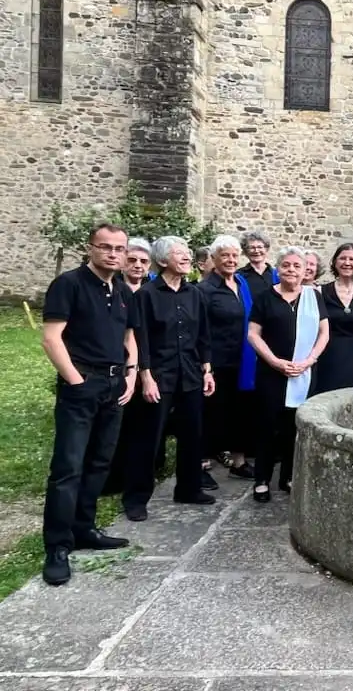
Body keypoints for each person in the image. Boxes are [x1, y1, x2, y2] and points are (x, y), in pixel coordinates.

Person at [40, 224, 138, 586]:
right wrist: (76, 382)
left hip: (114, 385)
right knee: (68, 468)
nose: (113, 254)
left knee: (99, 463)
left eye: (119, 249)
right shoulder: (69, 284)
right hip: (81, 384)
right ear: (91, 248)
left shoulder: (123, 288)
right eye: (106, 247)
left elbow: (130, 336)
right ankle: (57, 546)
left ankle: (84, 529)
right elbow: (51, 338)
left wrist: (130, 375)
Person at [122, 236, 216, 521]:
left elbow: (203, 335)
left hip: (190, 372)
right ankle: (136, 499)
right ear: (163, 260)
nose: (187, 257)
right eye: (180, 253)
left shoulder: (195, 294)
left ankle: (188, 488)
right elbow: (142, 339)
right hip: (159, 374)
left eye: (187, 253)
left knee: (192, 434)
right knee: (148, 438)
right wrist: (145, 376)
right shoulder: (146, 295)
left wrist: (207, 369)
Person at [247, 246, 330, 502]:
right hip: (272, 372)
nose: (291, 270)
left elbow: (324, 332)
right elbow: (253, 333)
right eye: (286, 265)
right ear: (279, 268)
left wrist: (309, 361)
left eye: (297, 266)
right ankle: (261, 479)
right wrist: (275, 361)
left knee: (294, 428)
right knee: (267, 426)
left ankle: (288, 477)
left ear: (306, 270)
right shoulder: (265, 296)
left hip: (304, 372)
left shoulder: (314, 297)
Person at [197, 235, 256, 480]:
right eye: (225, 255)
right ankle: (200, 464)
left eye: (234, 255)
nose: (231, 260)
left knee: (240, 413)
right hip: (216, 362)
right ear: (214, 259)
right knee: (212, 414)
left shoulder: (241, 283)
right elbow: (200, 329)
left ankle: (239, 462)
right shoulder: (204, 289)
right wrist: (205, 366)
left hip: (242, 361)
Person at [102, 238, 151, 497]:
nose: (137, 266)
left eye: (143, 261)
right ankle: (112, 479)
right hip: (115, 366)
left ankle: (136, 475)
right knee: (114, 428)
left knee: (139, 427)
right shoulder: (115, 290)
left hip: (146, 367)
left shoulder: (152, 290)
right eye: (132, 260)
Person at [315, 242, 353, 392]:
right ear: (335, 263)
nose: (347, 263)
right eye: (342, 258)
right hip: (327, 359)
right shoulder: (320, 292)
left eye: (352, 259)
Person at [239, 231, 278, 300]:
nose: (256, 251)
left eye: (260, 247)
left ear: (266, 249)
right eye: (252, 247)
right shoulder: (238, 276)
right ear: (245, 251)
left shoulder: (277, 275)